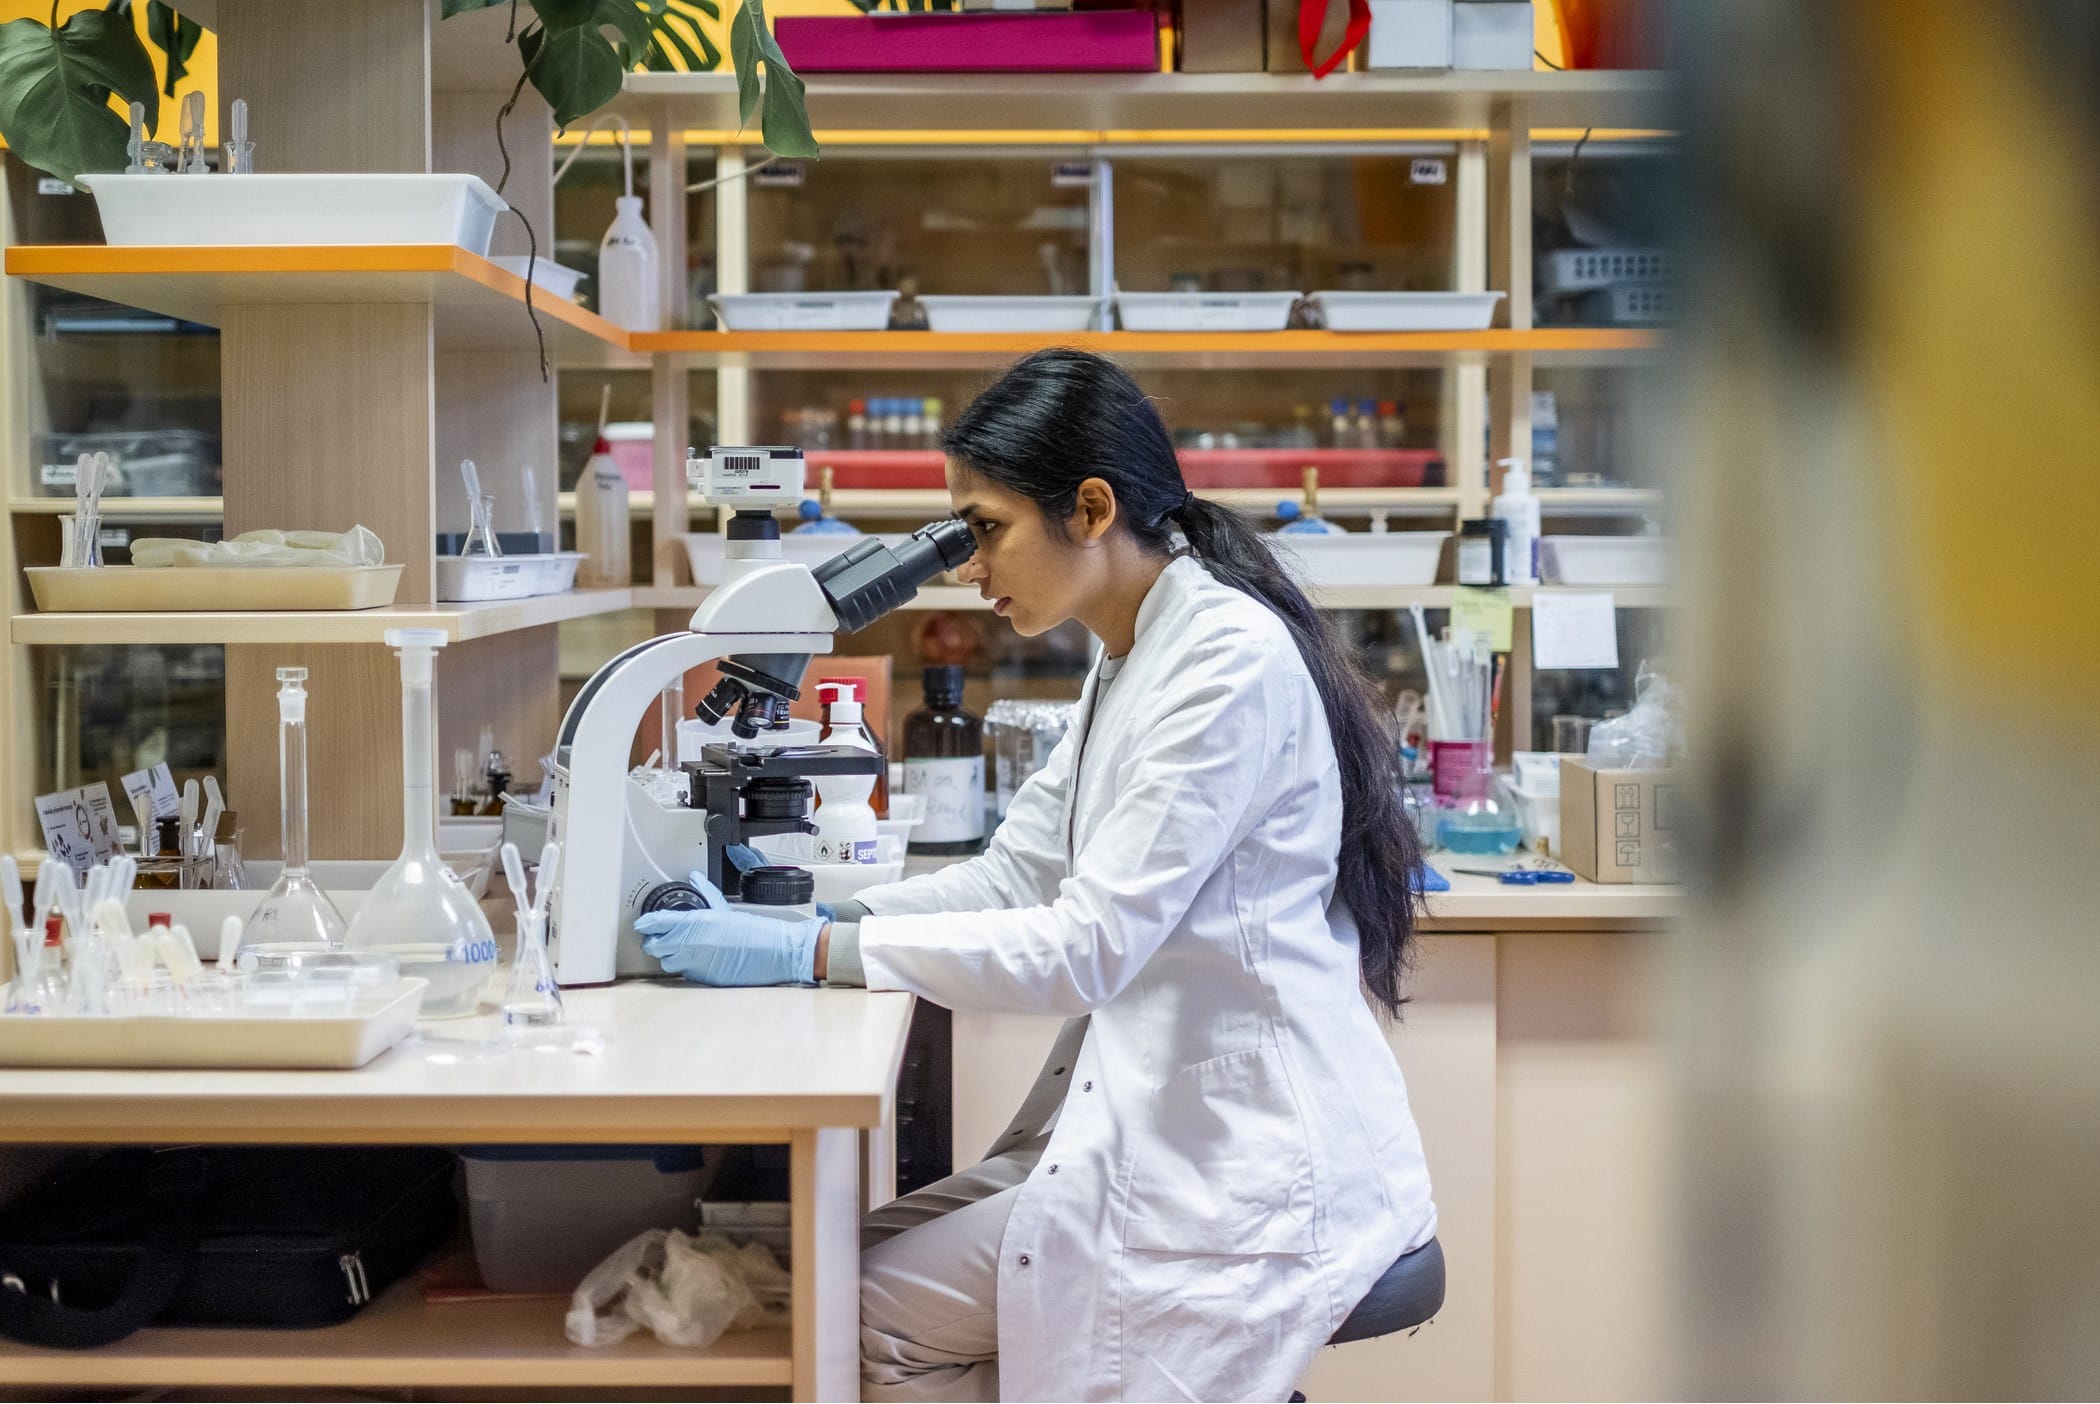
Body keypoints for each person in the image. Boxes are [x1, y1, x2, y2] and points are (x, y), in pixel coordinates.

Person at [637, 348, 1438, 1402]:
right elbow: (1016, 877)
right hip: (1165, 1135)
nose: (967, 566)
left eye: (985, 528)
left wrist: (816, 952)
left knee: (852, 1315)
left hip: (1248, 1176)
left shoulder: (1225, 662)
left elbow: (1085, 948)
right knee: (831, 1268)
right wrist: (821, 910)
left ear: (1093, 508)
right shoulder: (1132, 652)